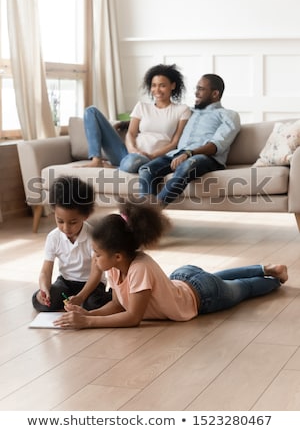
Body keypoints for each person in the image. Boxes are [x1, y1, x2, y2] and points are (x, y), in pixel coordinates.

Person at [54, 199, 287, 329]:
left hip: (203, 297)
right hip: (184, 279)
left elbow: (133, 317)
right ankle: (266, 268)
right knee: (220, 278)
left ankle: (274, 278)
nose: (93, 259)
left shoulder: (139, 269)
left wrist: (89, 322)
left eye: (96, 254)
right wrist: (88, 313)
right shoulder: (115, 269)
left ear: (117, 255)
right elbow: (117, 305)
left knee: (241, 289)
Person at [138, 73, 241, 205]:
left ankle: (151, 211)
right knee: (146, 169)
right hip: (178, 154)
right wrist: (126, 124)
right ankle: (145, 215)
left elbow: (216, 145)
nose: (196, 93)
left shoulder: (228, 115)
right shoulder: (188, 112)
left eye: (201, 89)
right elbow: (160, 119)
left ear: (215, 94)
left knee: (188, 164)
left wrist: (189, 153)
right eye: (196, 89)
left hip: (205, 158)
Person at [82, 64, 191, 173]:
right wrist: (133, 150)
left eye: (162, 85)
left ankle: (116, 168)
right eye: (154, 85)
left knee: (133, 162)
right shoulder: (141, 106)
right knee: (91, 111)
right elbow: (131, 133)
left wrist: (152, 156)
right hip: (126, 153)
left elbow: (174, 143)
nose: (157, 90)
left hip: (150, 158)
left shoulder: (182, 110)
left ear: (173, 86)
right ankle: (96, 160)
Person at [32, 176, 112, 312]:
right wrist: (44, 289)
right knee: (39, 301)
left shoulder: (94, 237)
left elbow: (96, 273)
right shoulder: (53, 237)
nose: (66, 228)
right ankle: (72, 299)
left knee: (92, 304)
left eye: (73, 222)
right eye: (60, 221)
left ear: (85, 216)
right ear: (54, 213)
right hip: (66, 282)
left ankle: (112, 294)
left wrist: (81, 297)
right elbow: (46, 271)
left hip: (92, 283)